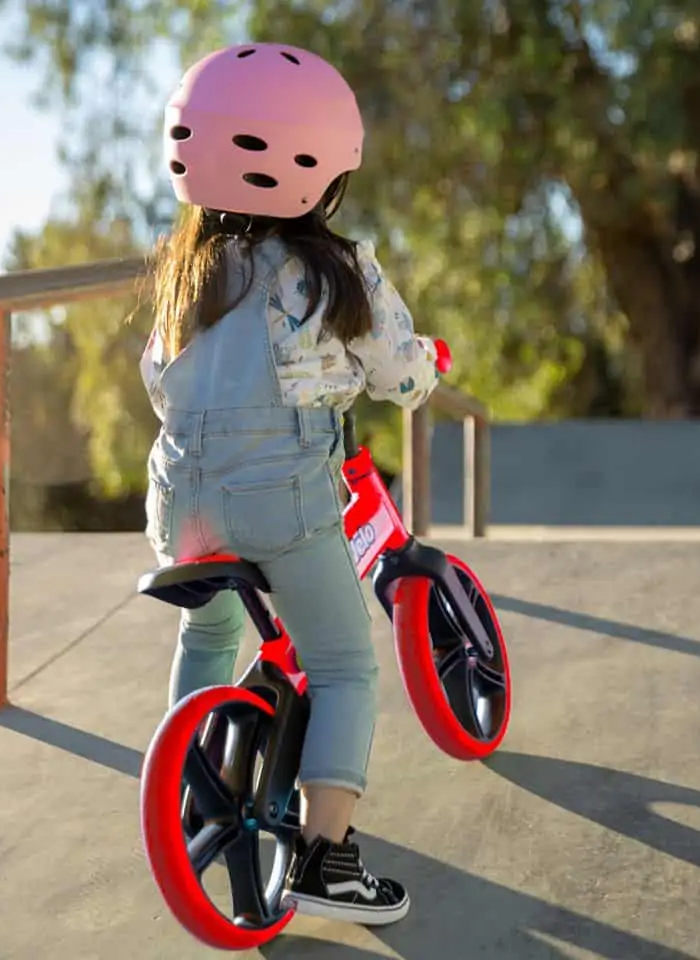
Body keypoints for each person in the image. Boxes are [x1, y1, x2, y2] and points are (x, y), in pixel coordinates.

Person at [139, 41, 440, 926]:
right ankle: (326, 859)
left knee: (207, 632)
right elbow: (399, 373)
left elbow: (158, 380)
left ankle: (194, 792)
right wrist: (427, 368)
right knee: (342, 663)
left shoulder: (184, 276)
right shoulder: (338, 270)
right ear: (323, 167)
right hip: (284, 498)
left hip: (182, 500)